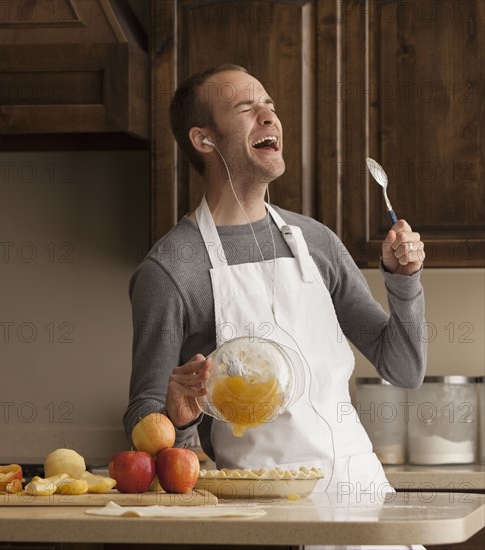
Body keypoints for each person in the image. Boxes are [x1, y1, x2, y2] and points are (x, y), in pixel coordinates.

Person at [124, 64, 426, 496]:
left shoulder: (316, 241)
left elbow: (405, 369)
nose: (269, 117)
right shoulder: (171, 269)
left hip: (367, 504)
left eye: (269, 105)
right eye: (247, 109)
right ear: (203, 139)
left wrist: (404, 280)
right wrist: (181, 417)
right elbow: (144, 416)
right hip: (264, 515)